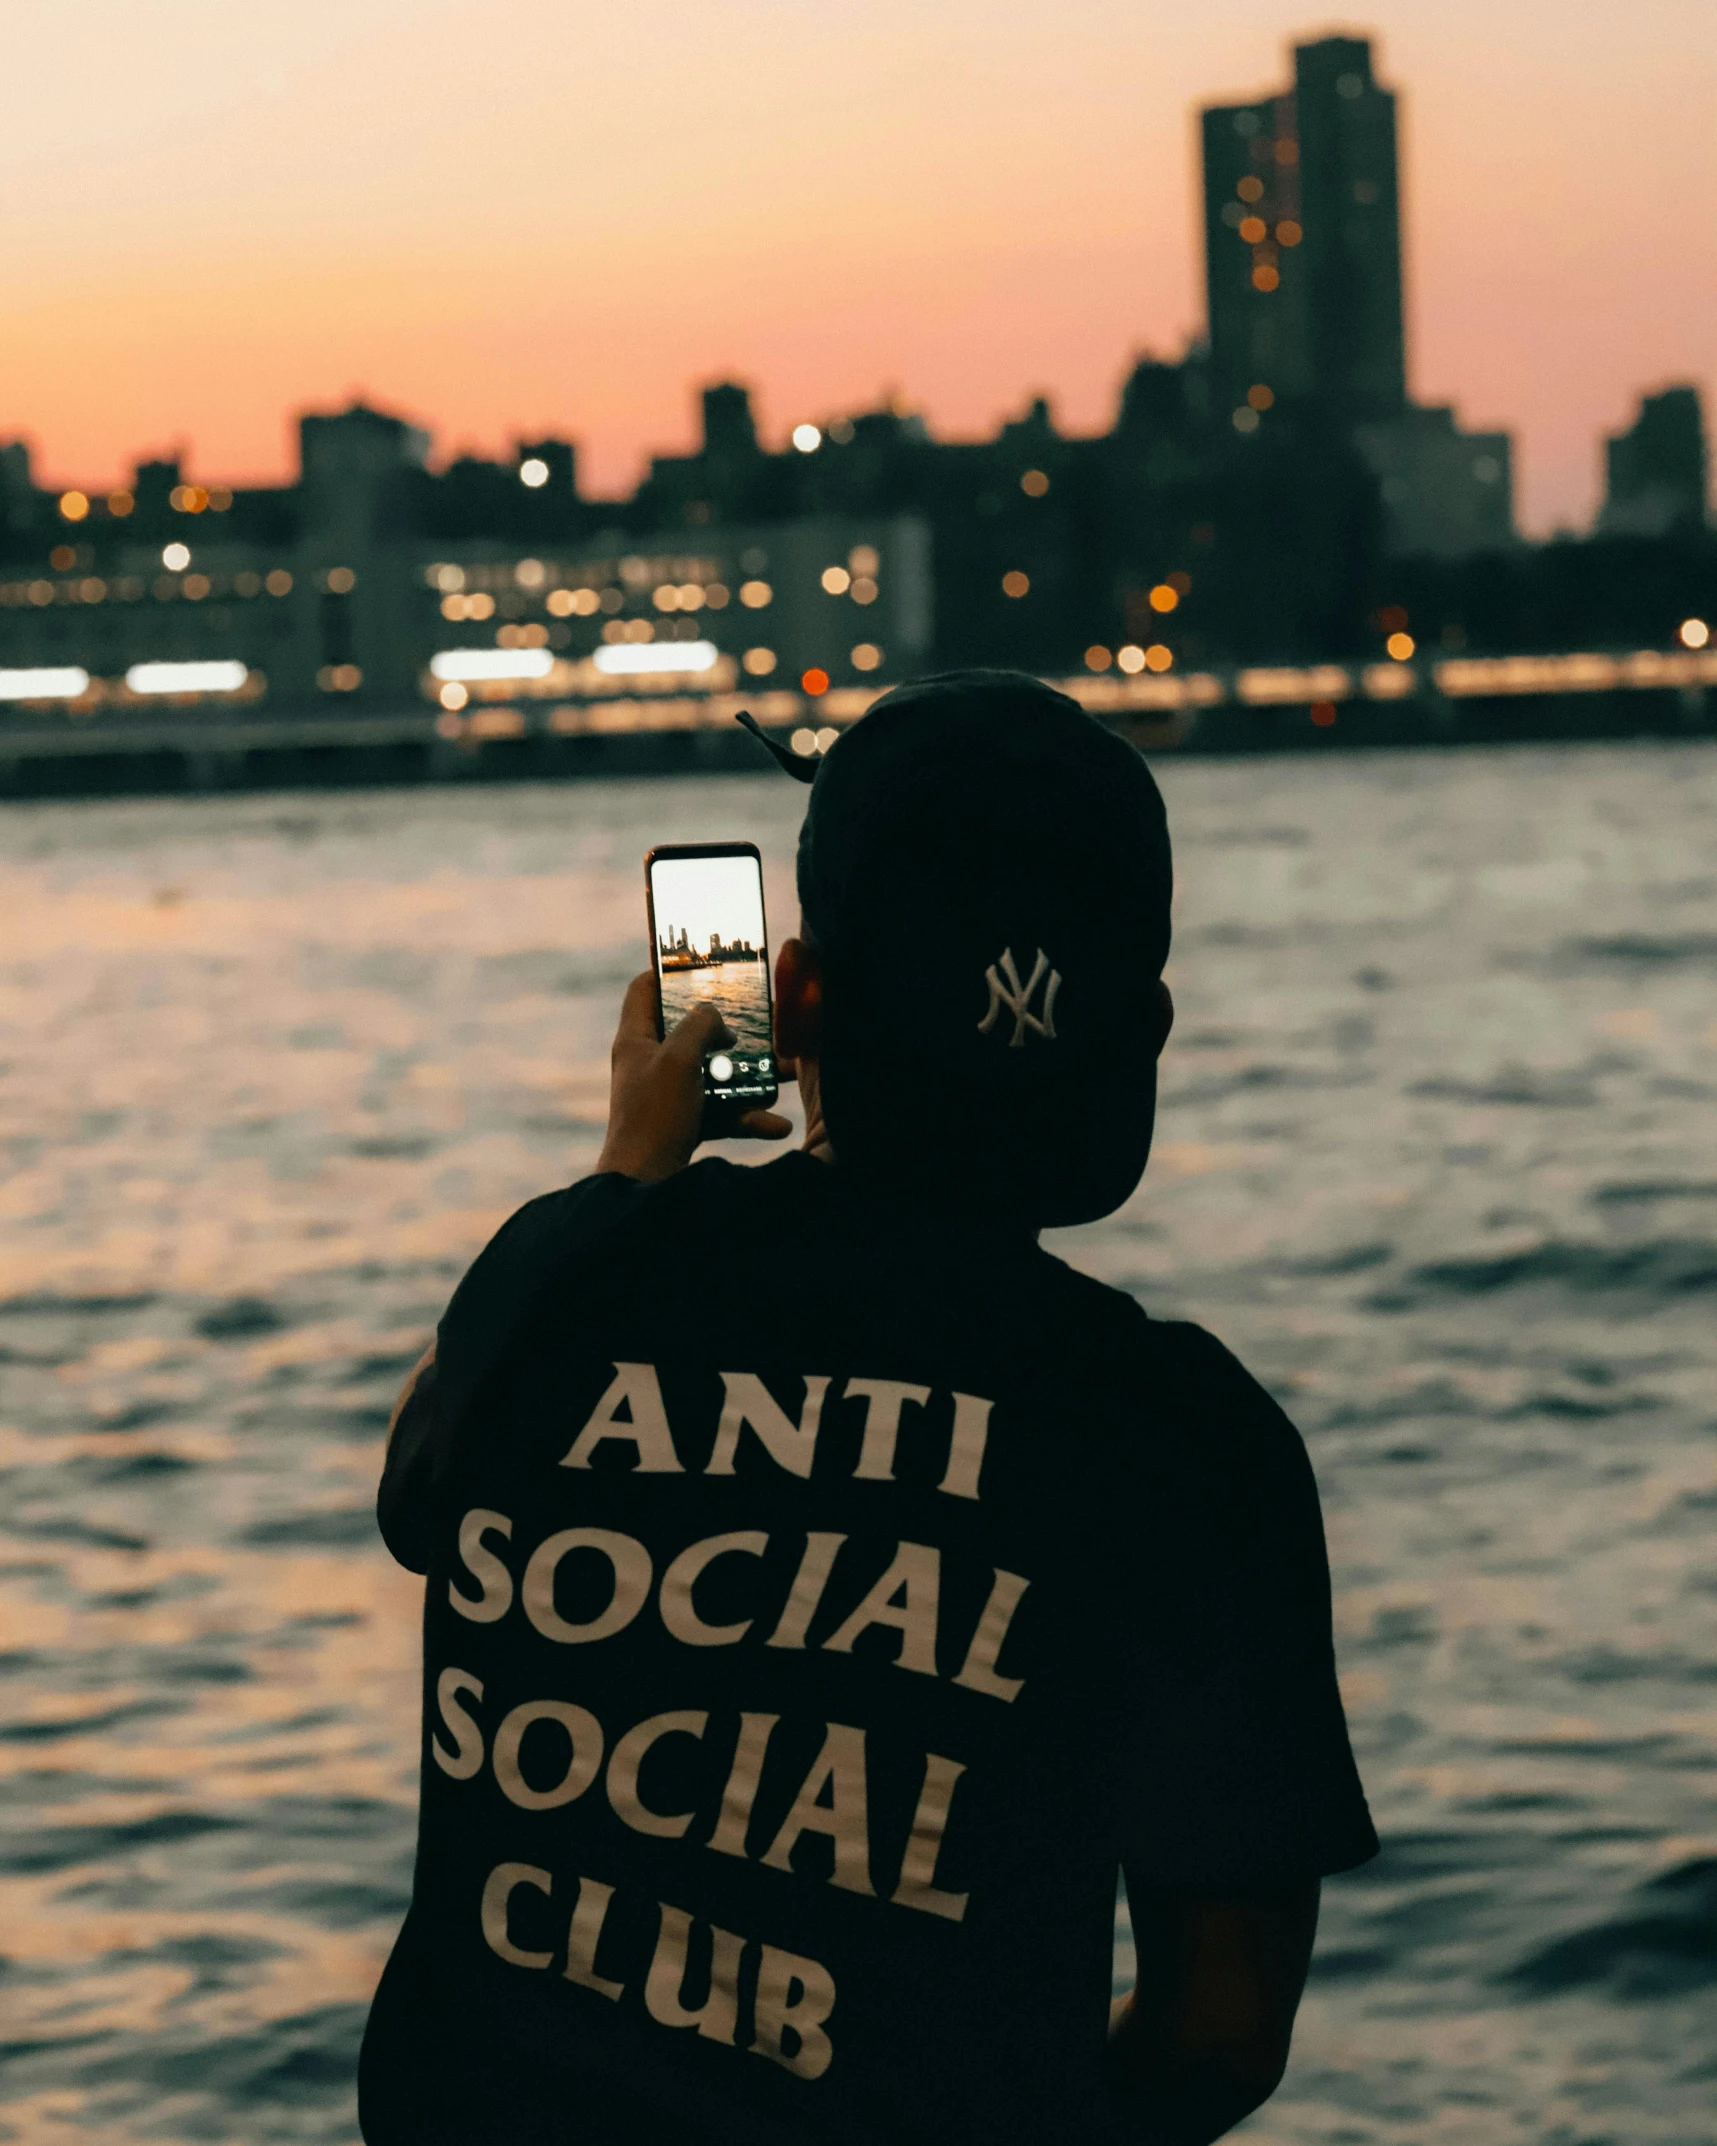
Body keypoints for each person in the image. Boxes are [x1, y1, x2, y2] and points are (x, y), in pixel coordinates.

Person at [358, 671, 1377, 2146]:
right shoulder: (1194, 1447)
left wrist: (635, 1161)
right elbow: (1220, 2027)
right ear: (1139, 1039)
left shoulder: (570, 1299)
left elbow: (420, 1485)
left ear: (804, 999)